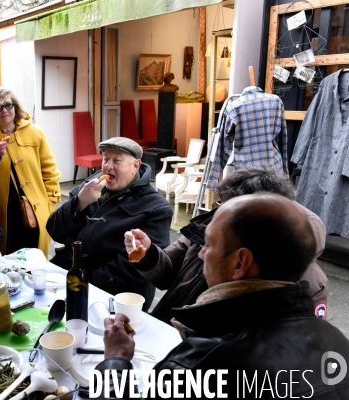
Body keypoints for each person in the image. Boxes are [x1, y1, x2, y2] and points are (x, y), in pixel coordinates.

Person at [98, 193, 349, 398]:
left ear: (240, 262)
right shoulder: (337, 343)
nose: (201, 254)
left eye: (208, 244)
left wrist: (116, 360)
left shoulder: (201, 363)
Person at [126, 166, 329, 324]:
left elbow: (289, 351)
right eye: (221, 204)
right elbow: (169, 273)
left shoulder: (306, 281)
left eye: (231, 208)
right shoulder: (208, 227)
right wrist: (149, 254)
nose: (203, 253)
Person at [47, 137, 172, 309]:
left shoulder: (156, 207)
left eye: (117, 160)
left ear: (135, 166)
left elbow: (134, 270)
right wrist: (80, 202)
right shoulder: (90, 186)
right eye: (106, 159)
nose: (108, 166)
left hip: (113, 297)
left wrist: (80, 282)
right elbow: (54, 231)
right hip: (66, 279)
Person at [0, 87, 61, 257]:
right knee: (6, 253)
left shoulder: (35, 132)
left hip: (35, 207)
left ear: (15, 107)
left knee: (35, 255)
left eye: (8, 105)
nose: (4, 110)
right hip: (1, 210)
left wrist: (50, 201)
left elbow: (49, 170)